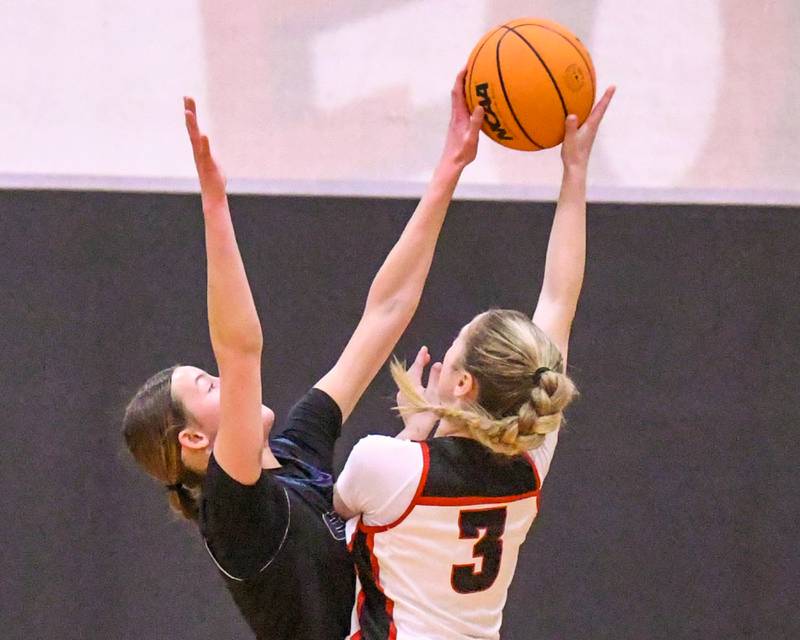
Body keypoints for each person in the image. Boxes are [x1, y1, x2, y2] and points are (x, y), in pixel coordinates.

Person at [122, 71, 484, 640]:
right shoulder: (235, 510)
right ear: (195, 440)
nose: (226, 381)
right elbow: (241, 349)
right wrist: (216, 208)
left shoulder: (296, 452)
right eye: (208, 386)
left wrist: (448, 170)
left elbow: (385, 313)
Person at [333, 86, 616, 640]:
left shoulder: (387, 464)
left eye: (458, 339)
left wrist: (413, 435)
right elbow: (560, 299)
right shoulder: (531, 460)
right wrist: (575, 170)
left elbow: (329, 518)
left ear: (461, 381)